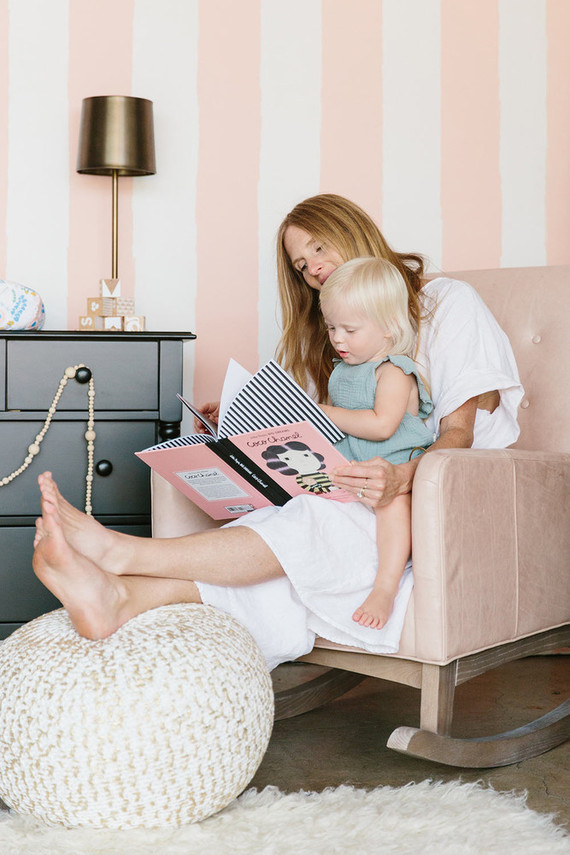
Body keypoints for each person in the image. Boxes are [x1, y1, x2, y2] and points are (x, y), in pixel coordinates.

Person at [32, 194, 523, 672]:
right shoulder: (338, 340)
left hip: (430, 495)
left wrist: (402, 478)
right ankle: (120, 597)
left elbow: (459, 432)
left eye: (319, 247)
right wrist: (236, 422)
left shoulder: (446, 302)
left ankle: (122, 553)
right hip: (352, 487)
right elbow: (312, 426)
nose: (312, 267)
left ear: (354, 232)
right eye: (300, 264)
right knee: (292, 525)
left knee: (309, 520)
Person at [318, 256, 434, 630]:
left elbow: (383, 426)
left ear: (388, 327)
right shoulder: (341, 372)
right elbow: (339, 428)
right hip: (353, 465)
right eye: (331, 327)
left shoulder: (394, 370)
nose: (338, 338)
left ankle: (385, 587)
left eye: (350, 329)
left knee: (393, 507)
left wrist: (324, 413)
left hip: (393, 466)